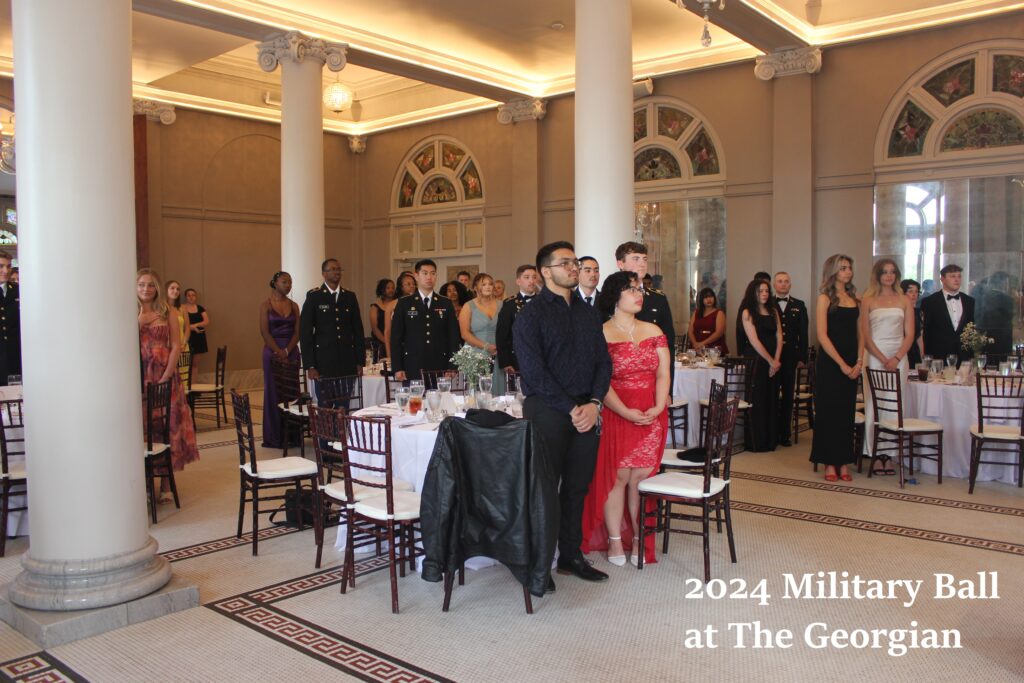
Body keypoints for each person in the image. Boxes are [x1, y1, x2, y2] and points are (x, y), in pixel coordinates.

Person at [515, 241, 612, 588]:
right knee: (543, 489)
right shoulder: (531, 315)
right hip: (549, 410)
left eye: (576, 262)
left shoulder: (588, 312)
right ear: (545, 271)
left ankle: (570, 556)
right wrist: (572, 408)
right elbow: (534, 373)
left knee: (576, 488)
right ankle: (538, 564)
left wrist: (595, 403)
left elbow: (604, 362)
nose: (574, 267)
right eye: (566, 263)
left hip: (587, 409)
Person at [582, 271, 669, 568]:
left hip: (650, 411)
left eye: (640, 288)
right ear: (615, 295)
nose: (639, 293)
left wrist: (658, 407)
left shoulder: (653, 329)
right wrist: (624, 411)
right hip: (616, 410)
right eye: (631, 289)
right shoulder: (601, 331)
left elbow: (663, 373)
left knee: (641, 477)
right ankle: (616, 539)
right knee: (617, 477)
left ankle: (640, 538)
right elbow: (599, 381)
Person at [137, 268, 199, 501]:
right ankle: (143, 480)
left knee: (167, 427)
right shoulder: (131, 313)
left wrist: (166, 376)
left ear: (157, 288)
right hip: (140, 378)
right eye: (142, 284)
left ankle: (165, 483)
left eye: (151, 284)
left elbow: (176, 345)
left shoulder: (168, 312)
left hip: (165, 377)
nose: (146, 289)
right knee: (144, 429)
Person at [809, 255, 863, 482]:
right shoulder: (824, 298)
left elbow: (862, 334)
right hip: (832, 363)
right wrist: (841, 364)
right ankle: (830, 461)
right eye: (842, 268)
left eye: (849, 268)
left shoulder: (855, 298)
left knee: (846, 413)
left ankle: (844, 461)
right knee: (829, 411)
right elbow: (822, 335)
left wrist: (859, 361)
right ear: (833, 272)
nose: (847, 272)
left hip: (852, 361)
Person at [861, 259, 915, 475]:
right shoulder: (867, 300)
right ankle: (875, 453)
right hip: (874, 355)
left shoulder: (904, 300)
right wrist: (883, 358)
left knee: (895, 404)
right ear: (877, 275)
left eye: (892, 272)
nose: (889, 276)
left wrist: (897, 357)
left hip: (899, 355)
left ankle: (890, 454)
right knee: (874, 403)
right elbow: (865, 335)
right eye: (884, 272)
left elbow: (909, 333)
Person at [390, 259, 461, 382]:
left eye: (433, 273)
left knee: (439, 400)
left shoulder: (445, 303)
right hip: (412, 365)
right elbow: (396, 337)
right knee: (414, 401)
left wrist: (452, 366)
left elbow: (453, 337)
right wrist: (397, 367)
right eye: (425, 273)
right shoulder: (404, 303)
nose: (429, 277)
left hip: (440, 364)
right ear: (416, 276)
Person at [300, 258, 365, 385]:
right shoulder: (315, 297)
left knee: (345, 403)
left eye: (339, 269)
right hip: (323, 361)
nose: (337, 272)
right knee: (325, 402)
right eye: (333, 269)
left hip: (347, 360)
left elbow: (357, 330)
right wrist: (310, 365)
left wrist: (359, 361)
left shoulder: (350, 297)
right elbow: (305, 333)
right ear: (324, 273)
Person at [616, 242, 674, 380]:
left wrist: (668, 391)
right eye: (635, 259)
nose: (642, 264)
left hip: (653, 380)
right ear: (620, 264)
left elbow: (669, 345)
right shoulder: (609, 297)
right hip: (616, 381)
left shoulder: (658, 299)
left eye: (645, 259)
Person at [258, 271, 301, 448]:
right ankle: (275, 435)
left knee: (291, 393)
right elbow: (264, 332)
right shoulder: (265, 305)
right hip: (272, 352)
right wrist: (278, 351)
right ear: (275, 283)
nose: (288, 285)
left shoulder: (294, 305)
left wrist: (287, 350)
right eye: (284, 282)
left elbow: (298, 331)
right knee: (274, 392)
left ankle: (293, 435)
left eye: (290, 282)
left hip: (291, 350)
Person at [739, 279, 782, 452]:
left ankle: (771, 440)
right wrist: (770, 361)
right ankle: (757, 441)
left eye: (766, 291)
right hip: (757, 361)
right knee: (758, 399)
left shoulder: (773, 311)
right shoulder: (747, 312)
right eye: (760, 291)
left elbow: (780, 336)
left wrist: (777, 360)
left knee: (772, 397)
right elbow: (754, 341)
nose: (764, 294)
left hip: (774, 361)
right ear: (753, 293)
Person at [773, 272, 808, 447]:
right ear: (774, 284)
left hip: (790, 357)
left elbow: (803, 333)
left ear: (790, 285)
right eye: (780, 281)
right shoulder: (767, 303)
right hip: (772, 357)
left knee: (787, 396)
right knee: (772, 395)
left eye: (786, 281)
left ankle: (785, 434)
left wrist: (802, 357)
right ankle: (772, 432)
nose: (783, 284)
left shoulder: (799, 305)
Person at [459, 272, 504, 394]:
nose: (488, 287)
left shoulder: (501, 305)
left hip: (497, 352)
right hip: (475, 353)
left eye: (490, 284)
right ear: (475, 288)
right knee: (478, 393)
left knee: (497, 391)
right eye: (483, 284)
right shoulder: (468, 306)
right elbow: (464, 333)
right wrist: (486, 347)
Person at [921, 264, 974, 362]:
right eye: (952, 276)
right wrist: (927, 356)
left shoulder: (969, 301)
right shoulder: (929, 302)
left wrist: (971, 355)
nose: (957, 280)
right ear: (943, 279)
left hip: (963, 355)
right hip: (938, 355)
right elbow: (926, 331)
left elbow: (971, 329)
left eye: (959, 276)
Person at [496, 264, 541, 374]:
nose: (531, 280)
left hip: (541, 358)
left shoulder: (544, 302)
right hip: (516, 358)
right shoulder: (509, 304)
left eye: (534, 277)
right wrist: (506, 362)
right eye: (527, 277)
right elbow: (502, 335)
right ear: (518, 281)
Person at [735, 271, 772, 355]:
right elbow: (739, 329)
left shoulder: (771, 304)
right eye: (760, 290)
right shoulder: (746, 303)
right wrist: (740, 352)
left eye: (767, 288)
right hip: (751, 349)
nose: (764, 293)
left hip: (771, 349)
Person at [688, 287, 728, 354]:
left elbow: (719, 333)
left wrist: (702, 343)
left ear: (714, 298)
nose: (709, 299)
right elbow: (690, 331)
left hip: (714, 348)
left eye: (711, 297)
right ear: (701, 300)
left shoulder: (719, 313)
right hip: (696, 347)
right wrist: (695, 344)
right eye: (706, 297)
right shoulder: (696, 312)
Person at [0, 252, 20, 386]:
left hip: (15, 356)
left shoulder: (19, 291)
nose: (6, 271)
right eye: (1, 266)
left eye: (8, 266)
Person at [369, 278, 397, 362]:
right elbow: (375, 328)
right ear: (382, 289)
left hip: (395, 342)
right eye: (388, 288)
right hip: (380, 343)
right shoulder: (375, 306)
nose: (391, 290)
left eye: (393, 288)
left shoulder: (397, 304)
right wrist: (387, 342)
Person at [900, 279, 925, 369]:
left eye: (916, 292)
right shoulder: (899, 312)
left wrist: (923, 357)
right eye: (910, 291)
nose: (914, 295)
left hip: (915, 351)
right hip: (901, 349)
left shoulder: (919, 312)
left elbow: (920, 337)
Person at [182, 288, 209, 356]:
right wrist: (192, 328)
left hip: (198, 337)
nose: (191, 297)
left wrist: (195, 325)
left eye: (193, 295)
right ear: (185, 297)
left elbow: (206, 321)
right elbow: (179, 323)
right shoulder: (182, 307)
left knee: (195, 365)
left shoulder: (200, 308)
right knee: (185, 364)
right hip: (186, 337)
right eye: (189, 295)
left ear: (196, 297)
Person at [166, 280, 190, 353]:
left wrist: (183, 343)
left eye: (178, 289)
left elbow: (187, 327)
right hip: (166, 347)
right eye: (172, 288)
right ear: (165, 290)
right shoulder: (161, 308)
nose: (175, 291)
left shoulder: (182, 308)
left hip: (182, 346)